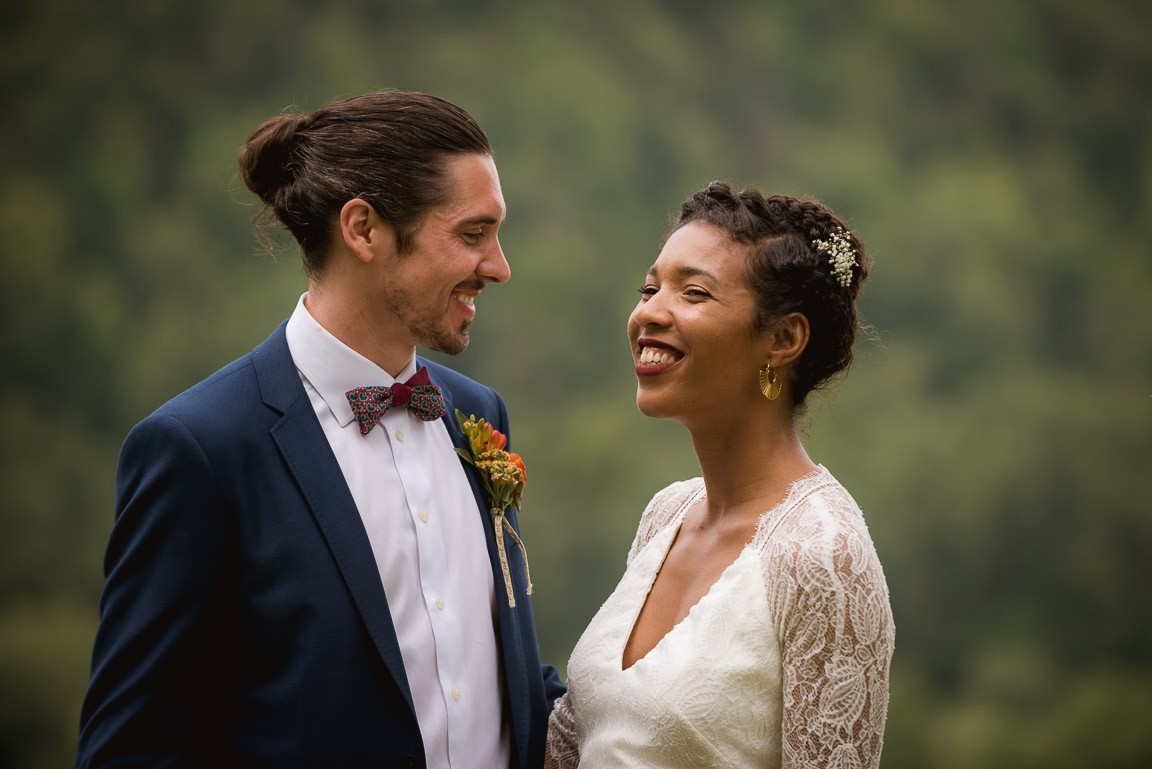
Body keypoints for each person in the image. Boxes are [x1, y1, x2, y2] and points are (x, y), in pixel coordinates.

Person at [76, 90, 564, 769]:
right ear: (362, 229)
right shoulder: (200, 450)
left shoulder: (478, 416)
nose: (499, 267)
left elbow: (492, 677)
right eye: (472, 234)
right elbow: (130, 749)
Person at [545, 182, 895, 768]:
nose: (649, 312)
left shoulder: (823, 555)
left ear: (783, 339)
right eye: (650, 288)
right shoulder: (666, 515)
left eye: (694, 293)